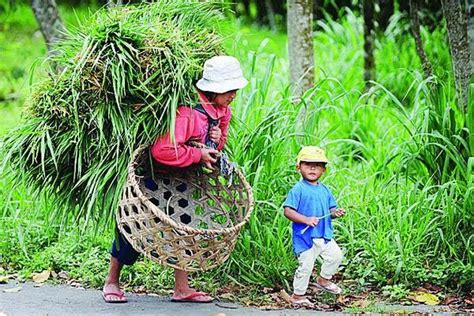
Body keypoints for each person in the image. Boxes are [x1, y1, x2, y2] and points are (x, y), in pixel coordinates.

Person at [102, 55, 248, 303]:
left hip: (182, 179)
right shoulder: (187, 113)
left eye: (234, 89)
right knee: (132, 227)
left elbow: (214, 148)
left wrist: (217, 137)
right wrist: (197, 154)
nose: (233, 94)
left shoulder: (222, 111)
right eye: (229, 90)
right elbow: (162, 150)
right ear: (212, 90)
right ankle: (111, 281)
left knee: (183, 229)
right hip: (153, 176)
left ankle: (182, 288)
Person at [283, 146, 346, 305]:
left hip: (323, 234)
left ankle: (323, 280)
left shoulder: (325, 190)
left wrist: (335, 213)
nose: (313, 168)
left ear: (323, 170)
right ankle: (298, 296)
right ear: (299, 167)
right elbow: (288, 211)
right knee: (306, 266)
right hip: (305, 237)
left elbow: (331, 209)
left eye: (318, 165)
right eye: (307, 164)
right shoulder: (298, 189)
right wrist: (305, 219)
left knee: (336, 256)